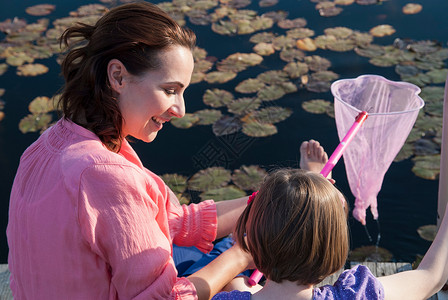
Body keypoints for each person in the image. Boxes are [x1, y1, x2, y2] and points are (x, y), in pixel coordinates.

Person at [5, 2, 328, 299]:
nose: (180, 110)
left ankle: (285, 199)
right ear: (117, 75)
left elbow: (169, 220)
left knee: (213, 249)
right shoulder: (103, 174)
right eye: (170, 90)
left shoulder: (48, 144)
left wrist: (268, 203)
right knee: (233, 255)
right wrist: (241, 255)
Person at [212, 167, 448, 300]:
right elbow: (432, 277)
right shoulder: (354, 296)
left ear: (251, 240)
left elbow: (239, 287)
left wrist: (243, 289)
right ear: (333, 249)